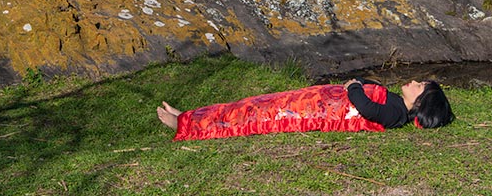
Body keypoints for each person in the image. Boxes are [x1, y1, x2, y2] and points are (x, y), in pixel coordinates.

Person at [157, 77, 454, 141]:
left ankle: (184, 125)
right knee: (254, 104)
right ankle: (191, 115)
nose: (413, 81)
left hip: (314, 110)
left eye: (419, 86)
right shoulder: (395, 102)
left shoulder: (395, 114)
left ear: (420, 102)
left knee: (256, 114)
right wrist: (361, 82)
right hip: (316, 99)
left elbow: (366, 110)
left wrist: (352, 88)